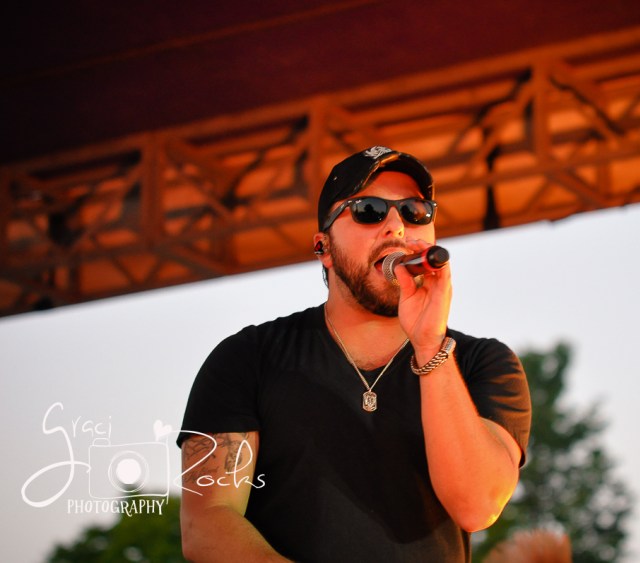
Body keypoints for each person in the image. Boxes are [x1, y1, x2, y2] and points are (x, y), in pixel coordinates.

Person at [177, 146, 532, 562]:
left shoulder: (482, 362)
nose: (397, 227)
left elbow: (477, 506)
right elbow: (207, 522)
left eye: (415, 211)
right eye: (369, 211)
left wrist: (430, 346)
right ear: (323, 247)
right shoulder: (246, 358)